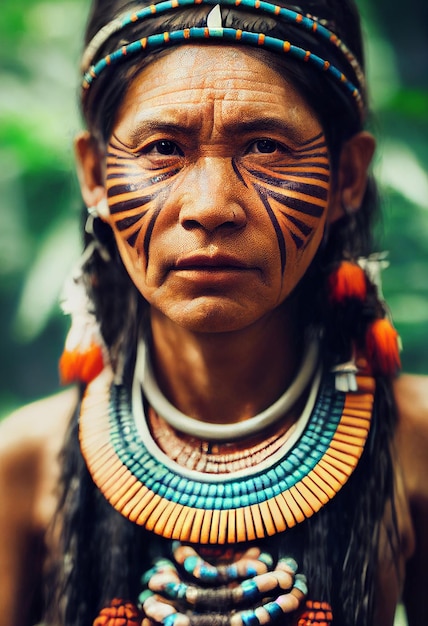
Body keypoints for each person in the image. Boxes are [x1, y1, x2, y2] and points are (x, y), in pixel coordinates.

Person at [0, 0, 427, 624]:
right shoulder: (26, 466)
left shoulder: (413, 447)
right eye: (163, 147)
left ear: (347, 177)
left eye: (265, 147)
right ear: (94, 175)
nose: (211, 205)